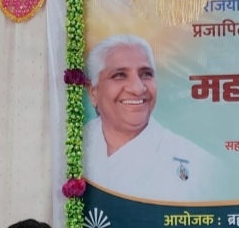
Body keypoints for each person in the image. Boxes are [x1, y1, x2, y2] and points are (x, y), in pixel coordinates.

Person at [84, 34, 219, 201]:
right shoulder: (69, 149)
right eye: (119, 75)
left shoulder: (201, 166)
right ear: (93, 92)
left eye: (146, 74)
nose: (138, 88)